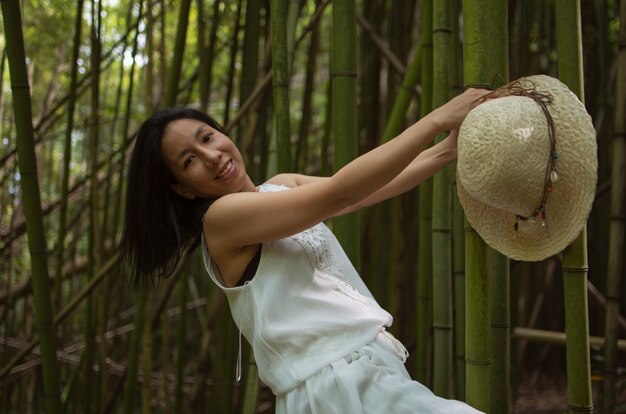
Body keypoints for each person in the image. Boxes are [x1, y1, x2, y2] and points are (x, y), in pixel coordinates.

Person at [120, 88, 488, 413]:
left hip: (365, 373)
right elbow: (339, 192)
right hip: (333, 387)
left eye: (208, 137)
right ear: (183, 189)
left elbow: (359, 196)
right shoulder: (221, 220)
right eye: (189, 160)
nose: (211, 155)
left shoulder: (281, 186)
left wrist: (446, 149)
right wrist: (437, 118)